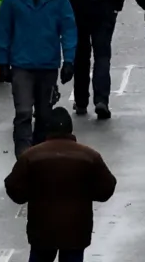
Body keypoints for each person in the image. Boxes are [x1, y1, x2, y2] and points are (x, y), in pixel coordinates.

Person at [8, 105, 119, 262]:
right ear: (71, 129)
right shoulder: (89, 156)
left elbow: (13, 187)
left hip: (42, 231)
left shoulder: (31, 156)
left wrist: (32, 193)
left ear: (48, 129)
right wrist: (86, 194)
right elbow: (107, 187)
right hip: (76, 231)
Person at [0, 0, 78, 156]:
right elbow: (4, 29)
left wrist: (69, 60)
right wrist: (3, 61)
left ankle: (40, 154)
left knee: (44, 114)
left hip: (47, 65)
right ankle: (24, 156)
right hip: (21, 64)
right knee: (23, 112)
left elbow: (68, 28)